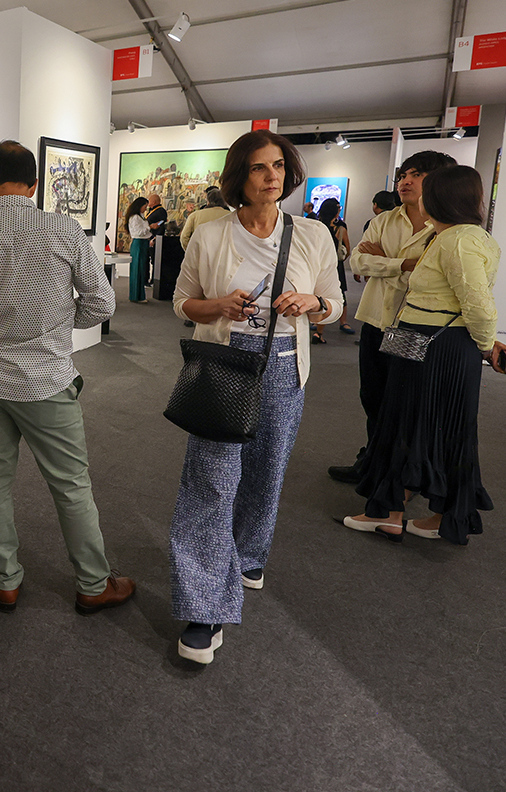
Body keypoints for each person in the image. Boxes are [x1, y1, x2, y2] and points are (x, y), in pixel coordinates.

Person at [169, 130, 343, 664]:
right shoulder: (210, 233)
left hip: (285, 368)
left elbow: (335, 304)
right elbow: (182, 302)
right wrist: (219, 305)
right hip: (225, 365)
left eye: (279, 166)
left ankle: (246, 553)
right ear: (238, 177)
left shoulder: (312, 234)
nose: (271, 176)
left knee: (266, 474)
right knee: (212, 482)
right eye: (259, 168)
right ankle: (204, 607)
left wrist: (313, 303)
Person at [0, 141, 132, 615]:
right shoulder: (65, 231)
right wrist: (57, 323)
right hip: (46, 381)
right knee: (70, 485)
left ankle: (5, 580)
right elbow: (102, 304)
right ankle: (92, 584)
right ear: (34, 184)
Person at [343, 166, 506, 545]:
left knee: (410, 424)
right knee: (432, 427)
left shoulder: (457, 241)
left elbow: (478, 305)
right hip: (428, 342)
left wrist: (486, 345)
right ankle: (428, 514)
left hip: (432, 346)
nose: (414, 193)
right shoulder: (456, 237)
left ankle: (390, 513)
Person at [328, 152, 457, 484]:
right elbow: (357, 262)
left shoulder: (447, 228)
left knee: (406, 403)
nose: (405, 181)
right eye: (403, 175)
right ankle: (373, 461)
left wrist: (385, 262)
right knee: (373, 396)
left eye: (416, 175)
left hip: (416, 327)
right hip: (376, 321)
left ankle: (400, 473)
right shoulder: (385, 221)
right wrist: (403, 264)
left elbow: (430, 278)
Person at [310, 198, 356, 342]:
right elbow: (347, 249)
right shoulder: (340, 229)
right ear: (336, 212)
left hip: (317, 264)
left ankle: (317, 324)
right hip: (336, 266)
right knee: (340, 294)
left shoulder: (315, 227)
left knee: (317, 294)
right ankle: (343, 322)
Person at [179, 186, 229, 252]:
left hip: (201, 253)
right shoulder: (231, 215)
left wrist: (193, 252)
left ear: (208, 201)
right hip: (224, 254)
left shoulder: (194, 215)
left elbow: (184, 237)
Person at [124, 197, 149, 302]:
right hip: (138, 243)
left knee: (141, 269)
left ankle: (139, 295)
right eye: (145, 206)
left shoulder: (141, 217)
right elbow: (138, 232)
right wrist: (150, 227)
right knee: (137, 269)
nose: (146, 209)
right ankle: (135, 296)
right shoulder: (135, 217)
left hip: (143, 243)